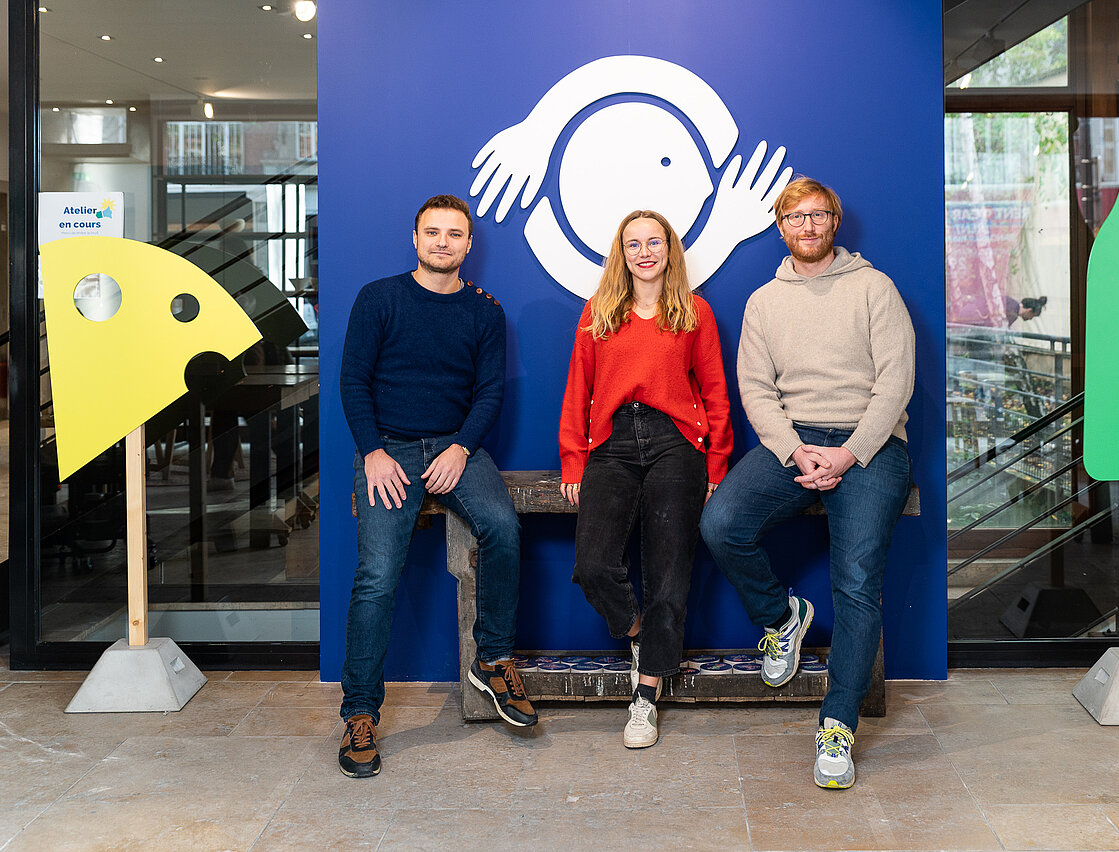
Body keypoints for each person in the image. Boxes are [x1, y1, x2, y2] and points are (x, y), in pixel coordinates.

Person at [700, 177, 915, 789]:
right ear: (781, 226)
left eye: (819, 215)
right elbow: (757, 391)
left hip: (870, 445)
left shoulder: (875, 288)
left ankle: (837, 727)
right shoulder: (765, 302)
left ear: (834, 223)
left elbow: (895, 383)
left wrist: (846, 454)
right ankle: (782, 616)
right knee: (720, 524)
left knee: (855, 584)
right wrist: (796, 450)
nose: (809, 226)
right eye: (796, 217)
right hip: (792, 440)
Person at [337, 194, 536, 779]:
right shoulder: (379, 299)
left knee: (503, 527)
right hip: (388, 450)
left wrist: (460, 447)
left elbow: (490, 394)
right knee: (377, 576)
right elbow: (353, 383)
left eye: (455, 234)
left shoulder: (485, 312)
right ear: (415, 238)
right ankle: (359, 713)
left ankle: (493, 659)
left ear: (469, 245)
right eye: (433, 232)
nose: (443, 242)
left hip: (455, 445)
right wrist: (372, 452)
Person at [558, 210, 732, 749]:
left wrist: (716, 464)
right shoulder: (599, 314)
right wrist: (572, 460)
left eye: (653, 242)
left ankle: (646, 696)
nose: (644, 252)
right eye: (633, 244)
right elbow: (577, 390)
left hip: (676, 443)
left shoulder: (695, 313)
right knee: (592, 565)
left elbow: (716, 393)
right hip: (610, 442)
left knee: (668, 570)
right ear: (622, 253)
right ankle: (639, 634)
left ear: (669, 250)